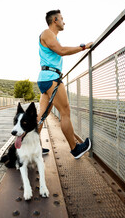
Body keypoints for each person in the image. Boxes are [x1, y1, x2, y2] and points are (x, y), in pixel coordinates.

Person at [37, 9, 93, 159]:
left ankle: (33, 146)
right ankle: (75, 149)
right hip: (51, 79)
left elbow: (58, 50)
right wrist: (83, 47)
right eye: (62, 18)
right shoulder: (47, 33)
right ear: (54, 20)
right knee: (65, 112)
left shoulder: (51, 36)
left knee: (42, 115)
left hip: (46, 78)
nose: (64, 21)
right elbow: (61, 51)